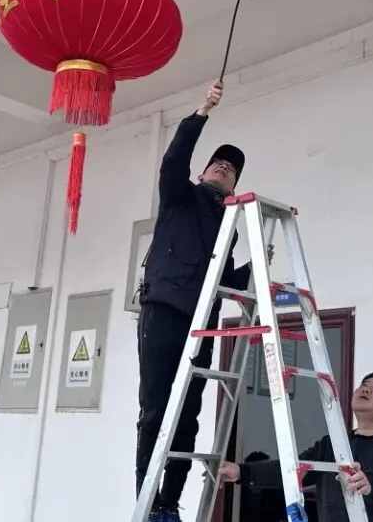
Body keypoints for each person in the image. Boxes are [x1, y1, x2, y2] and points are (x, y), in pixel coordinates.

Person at [136, 80, 272, 522]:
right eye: (218, 163)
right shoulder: (179, 197)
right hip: (163, 310)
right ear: (202, 173)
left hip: (202, 320)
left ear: (234, 187)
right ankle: (146, 499)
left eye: (231, 170)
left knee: (188, 411)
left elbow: (224, 278)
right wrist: (201, 112)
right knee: (155, 409)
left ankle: (169, 503)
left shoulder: (226, 223)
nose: (223, 169)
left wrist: (256, 263)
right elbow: (173, 160)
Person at [217, 372, 373, 522]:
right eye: (364, 384)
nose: (366, 388)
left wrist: (372, 482)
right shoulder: (332, 445)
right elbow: (293, 470)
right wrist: (242, 472)